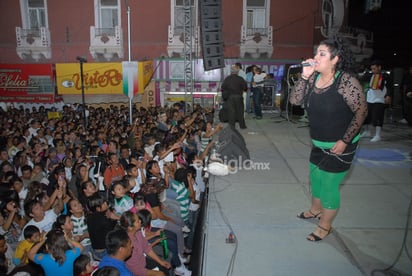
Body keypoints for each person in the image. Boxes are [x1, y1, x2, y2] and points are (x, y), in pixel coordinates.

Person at [289, 37, 367, 242]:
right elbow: (295, 101)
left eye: (322, 54)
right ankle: (315, 211)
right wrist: (305, 77)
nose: (315, 57)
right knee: (316, 179)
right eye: (316, 53)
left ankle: (325, 226)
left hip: (341, 144)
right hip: (318, 143)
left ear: (335, 59)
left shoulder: (346, 82)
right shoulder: (313, 78)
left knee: (329, 185)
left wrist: (344, 141)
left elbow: (361, 113)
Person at [119, 210, 171, 276]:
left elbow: (146, 248)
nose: (140, 221)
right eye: (138, 221)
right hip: (137, 271)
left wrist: (161, 262)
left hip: (143, 262)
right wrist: (157, 273)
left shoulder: (138, 232)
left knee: (165, 269)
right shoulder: (129, 244)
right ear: (130, 228)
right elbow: (136, 271)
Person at [361, 59, 392, 142]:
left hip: (380, 99)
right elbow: (362, 79)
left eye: (374, 68)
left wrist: (388, 95)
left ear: (379, 67)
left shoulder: (385, 76)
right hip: (370, 98)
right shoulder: (370, 75)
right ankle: (367, 132)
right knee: (367, 116)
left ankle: (378, 135)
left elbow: (390, 86)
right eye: (372, 69)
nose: (373, 70)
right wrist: (366, 72)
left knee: (378, 116)